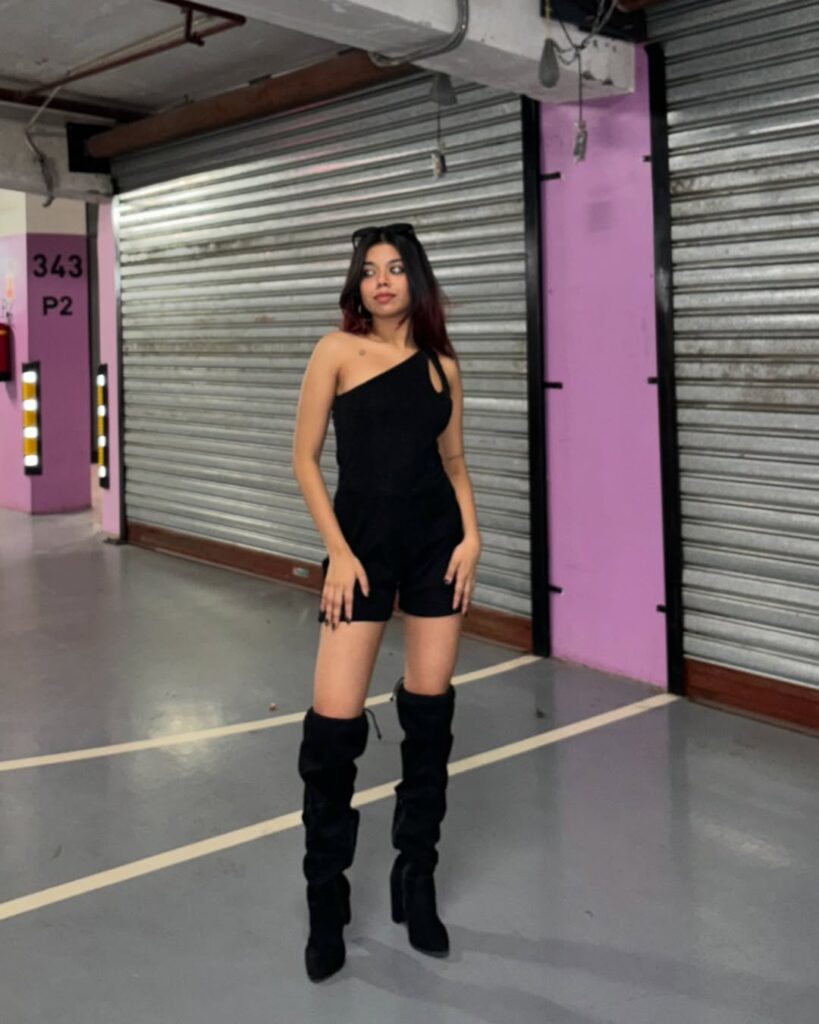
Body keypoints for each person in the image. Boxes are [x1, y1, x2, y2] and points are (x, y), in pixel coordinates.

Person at [291, 222, 481, 982]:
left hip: (439, 546)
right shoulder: (334, 351)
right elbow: (303, 458)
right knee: (332, 734)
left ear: (416, 280)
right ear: (356, 285)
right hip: (359, 551)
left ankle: (416, 878)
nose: (381, 281)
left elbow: (455, 461)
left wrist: (471, 536)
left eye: (396, 268)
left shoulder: (441, 365)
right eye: (368, 270)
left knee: (428, 719)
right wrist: (339, 550)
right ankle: (324, 898)